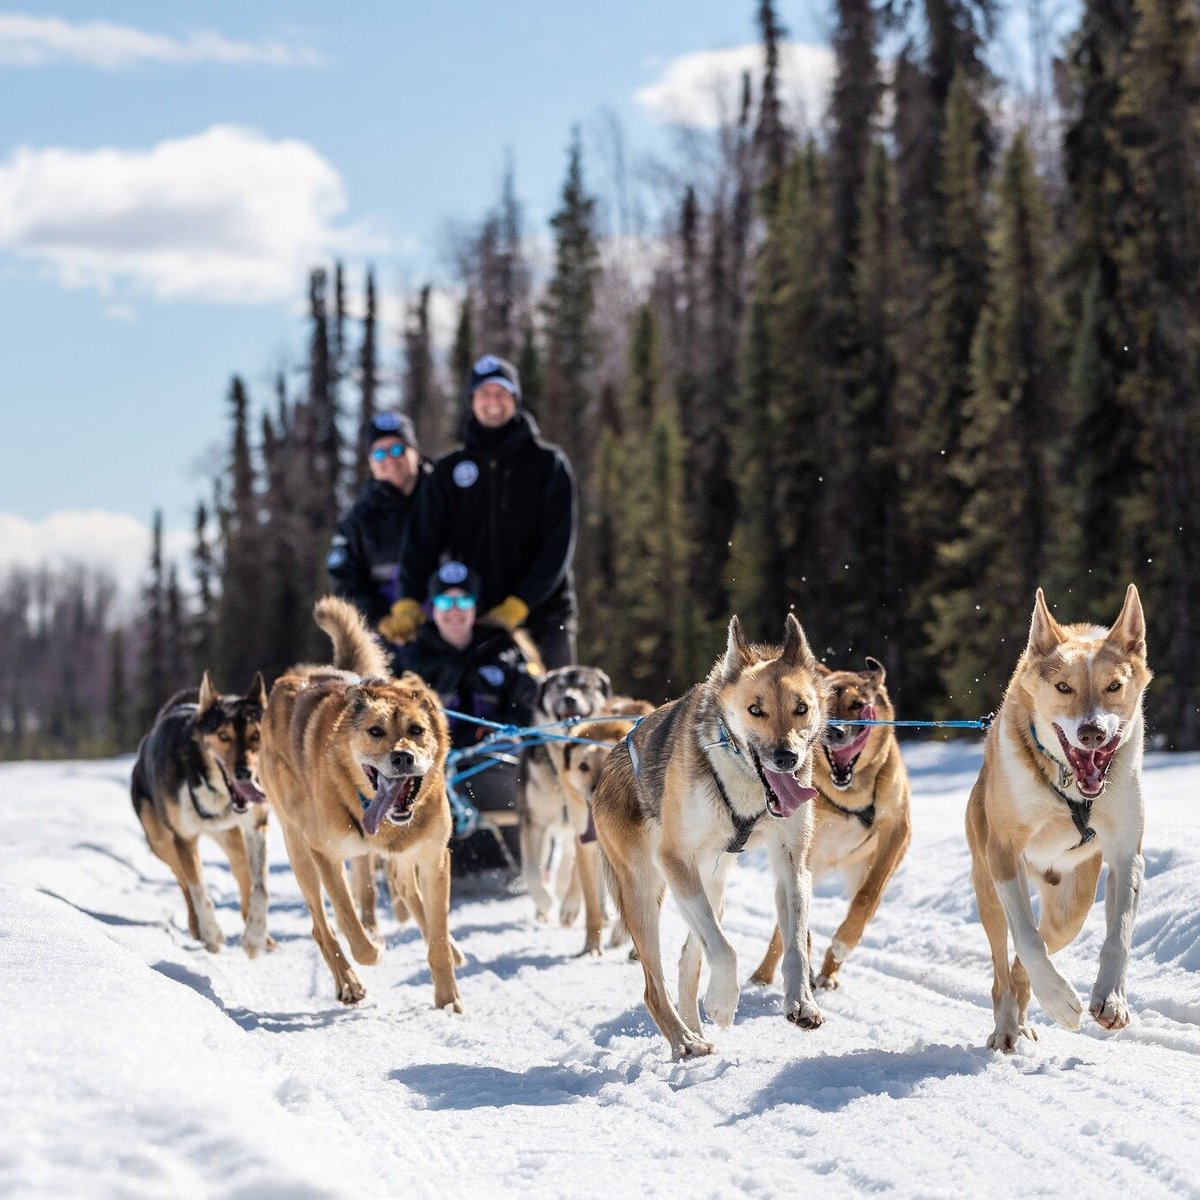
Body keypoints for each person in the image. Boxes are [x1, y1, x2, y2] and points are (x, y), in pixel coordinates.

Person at [383, 355, 578, 669]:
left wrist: (521, 603)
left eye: (501, 393)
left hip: (543, 615)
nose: (493, 402)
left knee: (559, 711)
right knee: (484, 713)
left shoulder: (548, 464)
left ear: (514, 399)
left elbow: (558, 546)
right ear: (472, 401)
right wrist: (408, 600)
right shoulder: (448, 471)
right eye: (484, 394)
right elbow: (423, 540)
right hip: (475, 618)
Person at [394, 559, 537, 871]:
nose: (455, 610)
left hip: (493, 758)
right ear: (433, 607)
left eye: (464, 600)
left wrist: (496, 731)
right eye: (446, 600)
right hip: (430, 765)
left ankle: (520, 862)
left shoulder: (504, 651)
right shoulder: (411, 656)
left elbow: (526, 704)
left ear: (476, 606)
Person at [327, 411, 430, 628]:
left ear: (415, 452)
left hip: (452, 619)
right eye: (380, 454)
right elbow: (345, 581)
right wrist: (381, 620)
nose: (390, 459)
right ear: (370, 461)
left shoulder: (444, 496)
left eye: (397, 449)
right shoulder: (359, 519)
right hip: (389, 633)